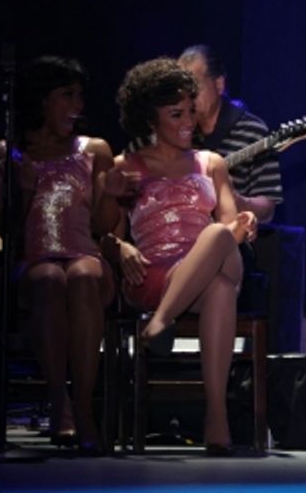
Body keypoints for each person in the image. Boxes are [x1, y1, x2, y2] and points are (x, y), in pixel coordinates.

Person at [100, 58, 258, 455]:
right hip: (153, 275)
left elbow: (227, 228)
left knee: (220, 235)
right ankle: (216, 418)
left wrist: (244, 222)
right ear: (150, 119)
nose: (189, 120)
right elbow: (101, 234)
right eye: (176, 114)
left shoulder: (212, 163)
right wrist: (120, 245)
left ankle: (160, 324)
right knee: (221, 290)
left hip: (215, 259)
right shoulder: (127, 167)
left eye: (192, 110)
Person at [0, 56, 116, 453]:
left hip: (85, 256)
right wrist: (21, 189)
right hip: (33, 263)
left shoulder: (94, 150)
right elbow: (0, 227)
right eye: (67, 96)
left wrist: (114, 192)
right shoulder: (1, 154)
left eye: (79, 95)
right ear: (42, 101)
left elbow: (104, 224)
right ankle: (59, 403)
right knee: (48, 278)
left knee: (82, 275)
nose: (77, 105)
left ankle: (83, 406)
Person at [176, 45, 282, 224]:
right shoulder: (176, 130)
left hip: (229, 241)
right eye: (181, 90)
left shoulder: (253, 131)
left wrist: (237, 200)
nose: (188, 97)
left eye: (194, 87)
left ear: (219, 84)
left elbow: (267, 210)